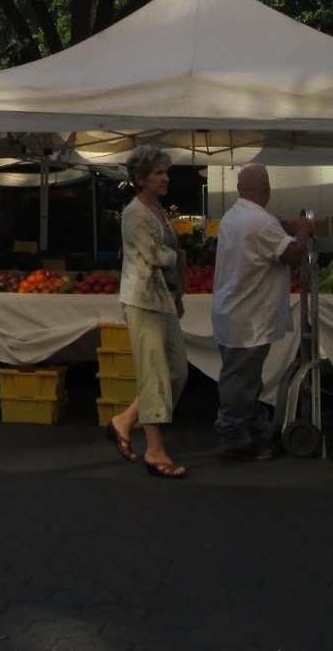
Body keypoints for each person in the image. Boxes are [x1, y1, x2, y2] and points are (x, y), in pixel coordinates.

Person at [211, 164, 313, 460]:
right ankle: (234, 435)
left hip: (235, 310)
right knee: (241, 380)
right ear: (266, 189)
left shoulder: (235, 216)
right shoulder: (258, 221)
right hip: (248, 315)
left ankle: (254, 428)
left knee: (244, 378)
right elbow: (291, 255)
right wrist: (303, 233)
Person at [104, 146, 189, 479]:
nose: (165, 178)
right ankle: (155, 450)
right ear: (140, 179)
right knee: (154, 373)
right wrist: (176, 256)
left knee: (177, 372)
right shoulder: (135, 213)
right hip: (141, 299)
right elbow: (155, 254)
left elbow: (166, 253)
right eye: (158, 173)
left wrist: (177, 292)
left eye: (166, 172)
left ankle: (124, 420)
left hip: (163, 299)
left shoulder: (158, 211)